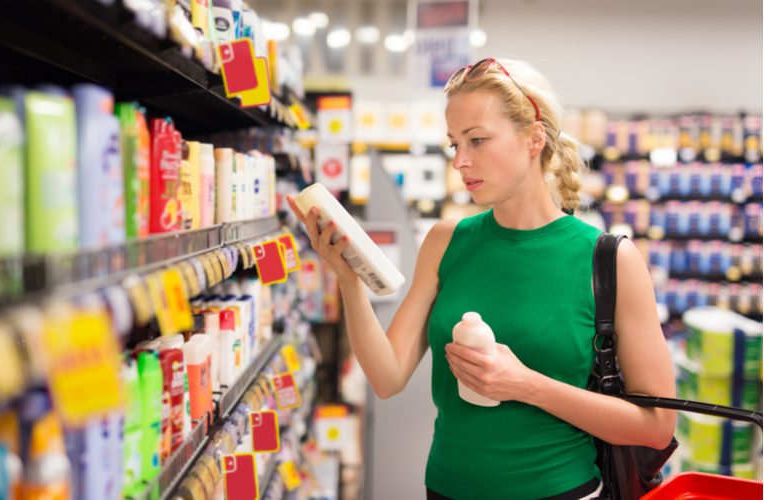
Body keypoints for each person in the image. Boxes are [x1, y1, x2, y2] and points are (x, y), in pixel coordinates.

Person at [287, 57, 676, 500]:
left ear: (534, 138)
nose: (461, 162)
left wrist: (524, 384)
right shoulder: (446, 240)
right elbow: (387, 377)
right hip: (446, 489)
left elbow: (657, 427)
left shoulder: (609, 260)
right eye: (454, 144)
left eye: (477, 141)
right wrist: (348, 278)